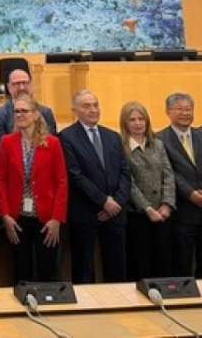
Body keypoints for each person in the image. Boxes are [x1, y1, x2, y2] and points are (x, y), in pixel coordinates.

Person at [59, 90, 130, 283]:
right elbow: (75, 175)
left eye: (95, 105)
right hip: (85, 213)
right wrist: (103, 201)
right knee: (84, 270)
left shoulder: (113, 136)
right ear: (75, 110)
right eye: (86, 106)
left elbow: (125, 172)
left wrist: (116, 203)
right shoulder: (66, 137)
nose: (93, 110)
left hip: (116, 213)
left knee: (116, 269)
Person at [0, 94, 68, 282]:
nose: (19, 114)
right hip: (17, 218)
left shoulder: (52, 143)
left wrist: (57, 219)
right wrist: (5, 215)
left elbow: (61, 182)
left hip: (46, 218)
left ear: (35, 114)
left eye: (24, 111)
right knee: (21, 271)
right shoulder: (7, 142)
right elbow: (1, 180)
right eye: (16, 111)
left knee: (47, 270)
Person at [157, 93, 202, 278]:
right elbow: (168, 172)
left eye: (188, 109)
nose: (185, 113)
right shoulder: (159, 140)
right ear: (168, 112)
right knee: (182, 265)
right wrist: (190, 194)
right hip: (183, 212)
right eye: (179, 109)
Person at [119, 101, 175, 280]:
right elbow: (129, 183)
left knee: (163, 263)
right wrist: (147, 209)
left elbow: (168, 174)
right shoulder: (121, 147)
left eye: (141, 118)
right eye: (132, 120)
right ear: (125, 123)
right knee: (140, 263)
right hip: (138, 215)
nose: (138, 123)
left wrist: (167, 204)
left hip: (163, 213)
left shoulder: (157, 144)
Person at [0, 69, 58, 139]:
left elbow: (51, 141)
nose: (21, 87)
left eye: (25, 83)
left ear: (31, 85)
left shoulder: (46, 112)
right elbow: (0, 143)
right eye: (17, 84)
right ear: (9, 87)